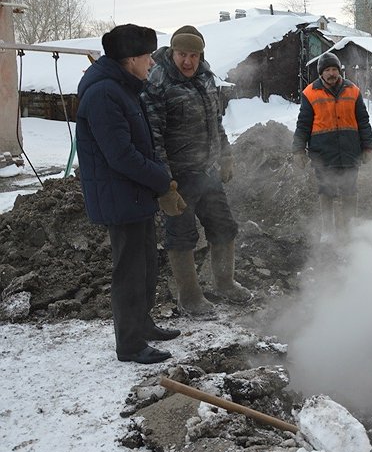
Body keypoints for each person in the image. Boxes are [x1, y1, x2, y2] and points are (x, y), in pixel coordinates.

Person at [76, 24, 186, 365]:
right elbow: (120, 155)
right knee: (129, 273)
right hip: (120, 196)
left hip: (135, 195)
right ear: (129, 59)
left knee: (146, 266)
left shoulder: (123, 88)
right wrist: (161, 180)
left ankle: (142, 324)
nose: (151, 63)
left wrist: (155, 181)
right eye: (147, 57)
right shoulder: (104, 94)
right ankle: (130, 344)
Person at [142, 25, 253, 318]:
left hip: (207, 170)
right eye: (182, 54)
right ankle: (190, 297)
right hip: (178, 176)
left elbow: (216, 122)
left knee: (224, 227)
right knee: (181, 235)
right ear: (173, 52)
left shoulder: (205, 77)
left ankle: (225, 284)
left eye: (193, 55)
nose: (188, 61)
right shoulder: (158, 82)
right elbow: (153, 138)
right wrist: (165, 185)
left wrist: (226, 155)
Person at [292, 52, 372, 242]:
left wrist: (368, 146)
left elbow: (363, 120)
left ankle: (349, 229)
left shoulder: (353, 90)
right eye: (327, 70)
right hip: (323, 153)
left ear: (339, 71)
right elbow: (303, 124)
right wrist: (298, 150)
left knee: (349, 190)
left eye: (334, 69)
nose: (332, 73)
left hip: (349, 150)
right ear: (321, 73)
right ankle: (328, 231)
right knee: (326, 190)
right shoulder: (310, 93)